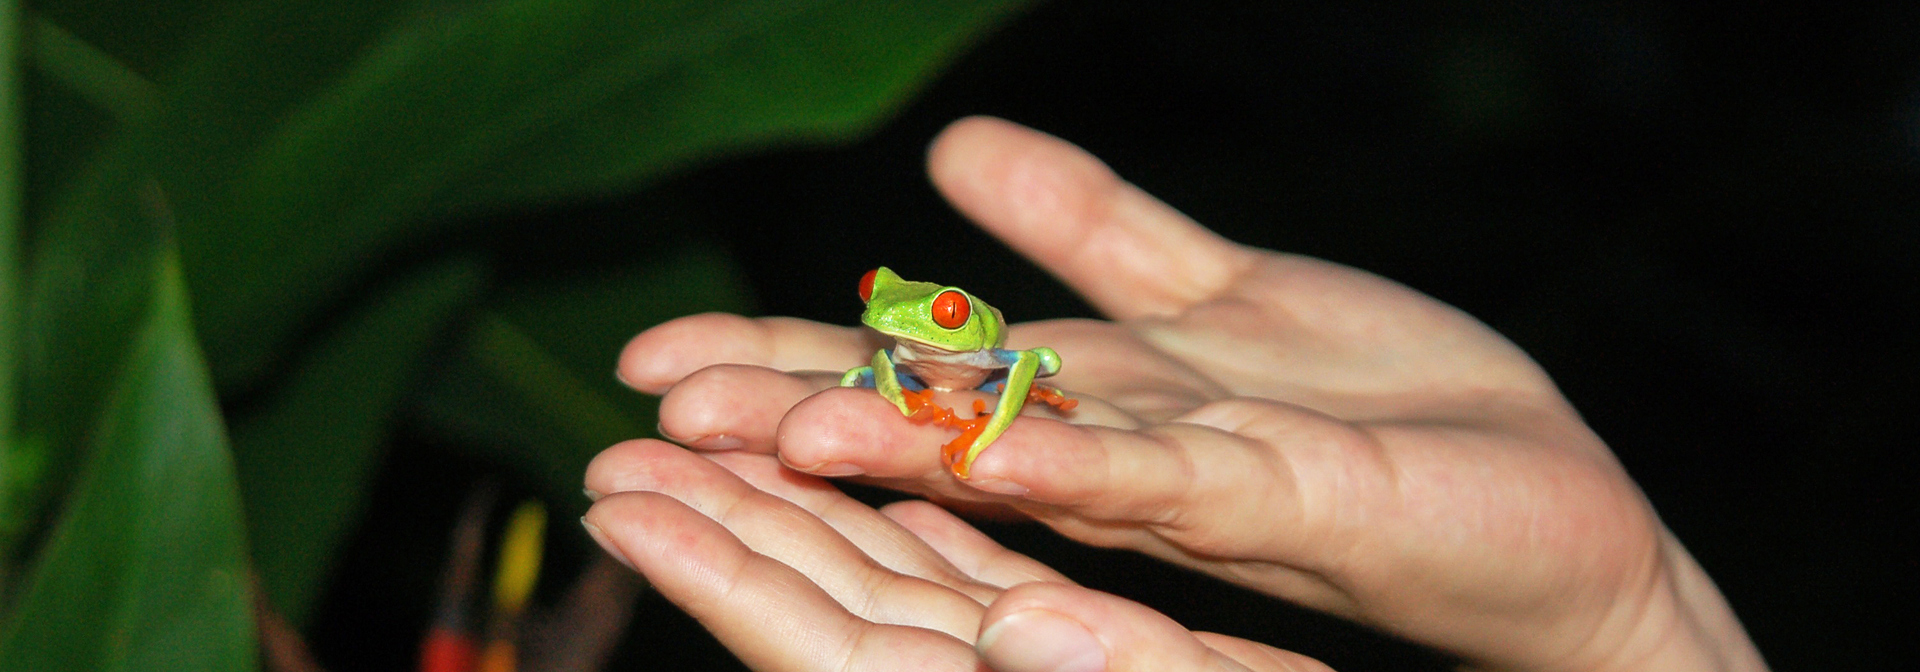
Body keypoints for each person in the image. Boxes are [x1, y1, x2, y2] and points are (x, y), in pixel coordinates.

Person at [581, 117, 1769, 672]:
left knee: (1013, 415)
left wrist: (1636, 621)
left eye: (927, 306)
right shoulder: (898, 335)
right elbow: (887, 346)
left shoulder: (985, 342)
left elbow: (1022, 367)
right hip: (924, 381)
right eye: (884, 298)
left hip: (1001, 378)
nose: (903, 314)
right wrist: (1642, 630)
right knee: (846, 392)